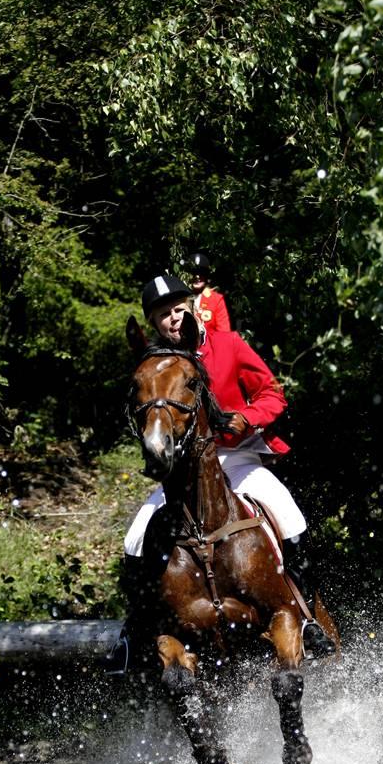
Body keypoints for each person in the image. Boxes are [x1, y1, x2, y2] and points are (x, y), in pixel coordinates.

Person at [106, 274, 336, 673]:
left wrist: (245, 419)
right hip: (181, 474)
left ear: (194, 308)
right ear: (154, 324)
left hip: (238, 459)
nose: (174, 319)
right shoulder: (156, 365)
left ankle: (308, 616)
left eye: (179, 309)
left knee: (291, 517)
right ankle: (135, 634)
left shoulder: (227, 345)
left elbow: (273, 394)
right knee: (133, 540)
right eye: (164, 315)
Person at [188, 251, 232, 333]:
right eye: (194, 273)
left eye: (201, 273)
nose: (197, 277)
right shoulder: (180, 297)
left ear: (206, 276)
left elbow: (223, 333)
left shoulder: (216, 300)